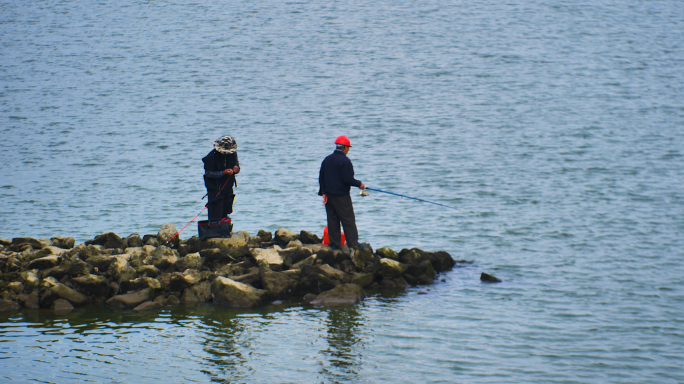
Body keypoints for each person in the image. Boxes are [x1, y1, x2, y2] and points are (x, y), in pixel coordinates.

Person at [318, 135, 365, 252]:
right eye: (348, 148)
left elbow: (321, 177)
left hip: (328, 194)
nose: (348, 150)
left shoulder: (327, 159)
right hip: (341, 196)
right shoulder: (345, 161)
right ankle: (353, 244)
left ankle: (335, 244)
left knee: (332, 219)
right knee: (348, 219)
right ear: (345, 148)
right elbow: (348, 179)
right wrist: (359, 184)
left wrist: (323, 192)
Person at [203, 136, 240, 222]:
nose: (226, 154)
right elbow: (208, 174)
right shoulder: (211, 157)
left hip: (227, 188)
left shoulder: (233, 154)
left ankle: (225, 230)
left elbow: (237, 166)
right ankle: (215, 231)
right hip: (215, 189)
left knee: (226, 211)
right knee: (215, 214)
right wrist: (224, 173)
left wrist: (236, 169)